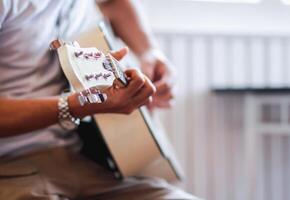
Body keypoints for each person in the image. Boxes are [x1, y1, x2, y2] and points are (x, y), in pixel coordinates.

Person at [0, 0, 199, 199]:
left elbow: (114, 3)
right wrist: (73, 107)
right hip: (12, 167)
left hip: (86, 161)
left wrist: (149, 52)